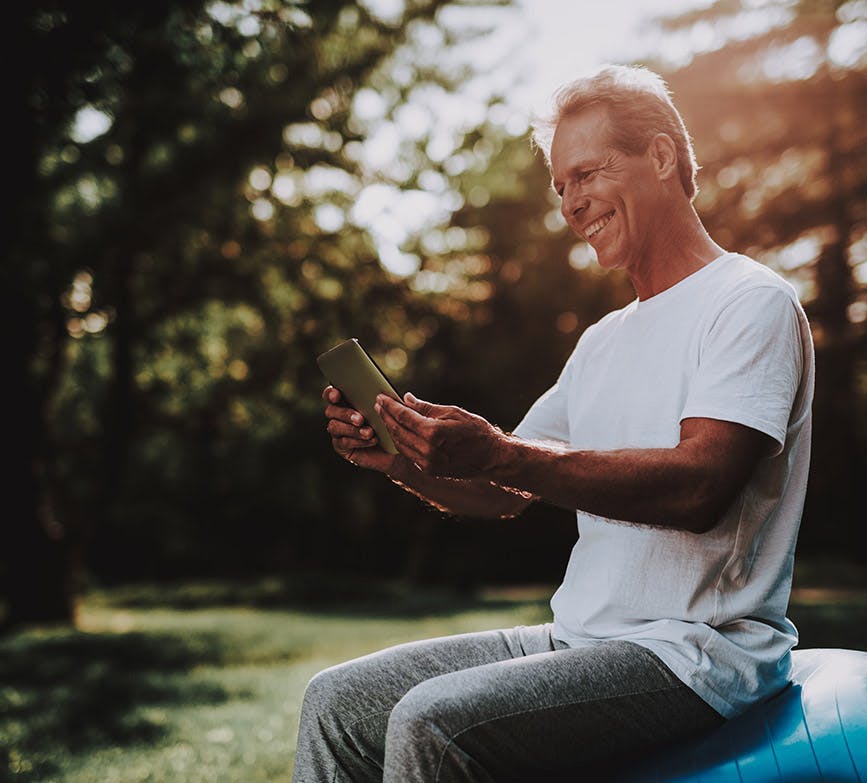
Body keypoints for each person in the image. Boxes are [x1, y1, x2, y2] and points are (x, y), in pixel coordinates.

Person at [292, 63, 814, 782]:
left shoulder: (749, 302)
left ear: (661, 157)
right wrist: (406, 460)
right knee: (337, 701)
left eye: (587, 174)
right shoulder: (601, 341)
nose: (571, 202)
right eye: (560, 186)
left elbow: (700, 487)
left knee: (431, 723)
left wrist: (503, 454)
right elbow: (505, 487)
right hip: (578, 639)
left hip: (696, 653)